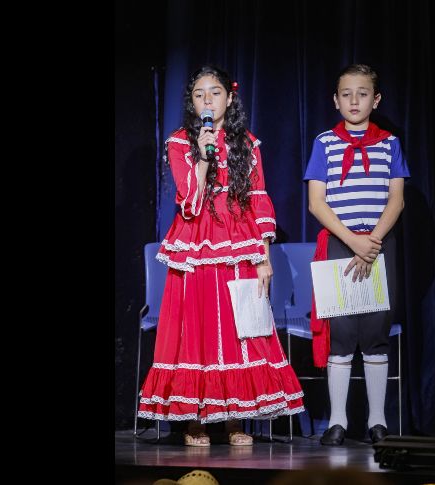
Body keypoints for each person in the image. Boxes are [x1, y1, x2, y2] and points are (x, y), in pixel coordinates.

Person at [137, 66, 305, 447]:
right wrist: (202, 156)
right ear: (192, 102)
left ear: (229, 98)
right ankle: (195, 419)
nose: (208, 99)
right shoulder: (180, 142)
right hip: (197, 240)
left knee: (239, 326)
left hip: (239, 240)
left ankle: (234, 419)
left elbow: (258, 198)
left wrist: (263, 257)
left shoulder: (247, 142)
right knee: (195, 326)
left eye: (215, 92)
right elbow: (189, 202)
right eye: (199, 94)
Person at [303, 64, 409, 446]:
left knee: (375, 333)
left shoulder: (390, 143)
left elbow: (396, 199)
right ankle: (337, 422)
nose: (354, 100)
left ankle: (377, 422)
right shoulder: (324, 143)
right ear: (335, 100)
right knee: (342, 335)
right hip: (339, 243)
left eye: (362, 93)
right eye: (346, 94)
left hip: (379, 246)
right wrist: (352, 240)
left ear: (375, 99)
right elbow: (317, 202)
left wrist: (373, 241)